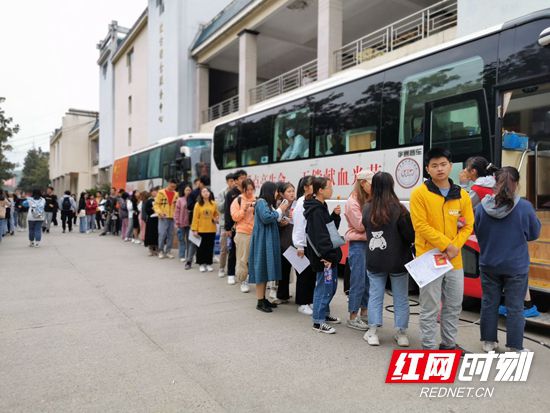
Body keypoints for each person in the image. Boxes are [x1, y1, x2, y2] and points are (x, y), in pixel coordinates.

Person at [410, 148, 474, 352]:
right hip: (429, 258)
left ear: (451, 166)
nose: (439, 169)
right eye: (435, 165)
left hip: (454, 260)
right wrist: (448, 245)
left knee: (454, 305)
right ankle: (428, 348)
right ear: (428, 169)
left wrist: (455, 246)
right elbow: (420, 225)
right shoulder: (420, 194)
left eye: (443, 164)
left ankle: (448, 344)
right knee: (429, 307)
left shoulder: (462, 195)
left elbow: (468, 225)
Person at [475, 167, 541, 352]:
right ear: (517, 183)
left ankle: (488, 342)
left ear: (495, 182)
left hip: (488, 263)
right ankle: (515, 346)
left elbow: (478, 232)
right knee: (515, 307)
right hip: (516, 266)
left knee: (489, 303)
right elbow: (534, 233)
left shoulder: (482, 207)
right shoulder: (525, 207)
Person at [362, 172, 415, 346]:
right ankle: (401, 334)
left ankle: (373, 332)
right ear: (391, 185)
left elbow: (365, 227)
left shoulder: (368, 208)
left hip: (375, 259)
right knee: (401, 297)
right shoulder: (399, 209)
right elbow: (409, 235)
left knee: (375, 295)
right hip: (398, 260)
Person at [304, 177, 342, 334]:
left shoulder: (321, 206)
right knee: (324, 288)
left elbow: (329, 231)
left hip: (327, 255)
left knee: (330, 286)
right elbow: (319, 237)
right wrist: (328, 256)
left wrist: (334, 216)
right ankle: (318, 322)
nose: (331, 190)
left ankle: (324, 315)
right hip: (324, 257)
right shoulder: (316, 211)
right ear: (320, 190)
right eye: (329, 187)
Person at [249, 181, 289, 313]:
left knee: (265, 270)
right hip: (262, 241)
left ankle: (263, 299)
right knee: (261, 269)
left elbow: (270, 219)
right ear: (270, 190)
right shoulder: (261, 202)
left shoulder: (267, 204)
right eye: (276, 191)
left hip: (267, 240)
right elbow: (266, 218)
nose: (277, 193)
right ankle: (260, 301)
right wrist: (280, 211)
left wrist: (280, 221)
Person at [344, 169, 374, 331]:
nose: (374, 186)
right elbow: (361, 226)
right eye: (371, 183)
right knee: (358, 280)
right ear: (363, 184)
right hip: (358, 245)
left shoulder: (370, 198)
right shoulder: (352, 201)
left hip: (370, 244)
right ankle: (353, 316)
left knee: (368, 280)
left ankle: (364, 312)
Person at [292, 175, 316, 315]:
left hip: (310, 244)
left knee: (311, 274)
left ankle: (310, 299)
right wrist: (300, 246)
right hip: (303, 244)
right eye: (313, 184)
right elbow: (300, 226)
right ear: (306, 187)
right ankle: (302, 302)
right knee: (304, 275)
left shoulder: (310, 201)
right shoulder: (302, 202)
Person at [230, 178, 256, 293]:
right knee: (242, 258)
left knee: (254, 258)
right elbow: (234, 217)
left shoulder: (257, 199)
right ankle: (242, 280)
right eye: (247, 189)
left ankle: (252, 277)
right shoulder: (238, 200)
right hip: (242, 233)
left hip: (255, 232)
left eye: (251, 189)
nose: (250, 192)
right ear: (243, 189)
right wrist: (244, 210)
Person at [224, 170, 247, 283]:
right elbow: (227, 212)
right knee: (233, 250)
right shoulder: (231, 194)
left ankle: (244, 275)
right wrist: (227, 228)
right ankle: (231, 274)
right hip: (234, 227)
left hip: (247, 227)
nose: (244, 180)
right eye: (242, 178)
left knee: (245, 252)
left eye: (245, 177)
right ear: (236, 181)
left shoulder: (248, 192)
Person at [276, 182, 296, 302]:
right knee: (284, 269)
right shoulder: (279, 205)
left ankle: (302, 297)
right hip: (284, 242)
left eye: (293, 191)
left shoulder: (298, 203)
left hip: (296, 241)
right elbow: (275, 221)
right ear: (282, 194)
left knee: (301, 270)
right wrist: (280, 223)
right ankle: (282, 295)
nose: (292, 193)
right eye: (289, 191)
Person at [185, 175, 211, 269]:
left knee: (206, 243)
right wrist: (200, 205)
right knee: (193, 241)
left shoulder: (209, 193)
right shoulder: (193, 193)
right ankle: (189, 261)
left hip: (207, 224)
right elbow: (189, 206)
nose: (205, 188)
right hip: (195, 222)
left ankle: (205, 261)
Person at [191, 187, 219, 272]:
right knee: (201, 248)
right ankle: (201, 264)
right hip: (201, 229)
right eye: (203, 191)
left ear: (210, 193)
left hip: (211, 229)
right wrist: (194, 229)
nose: (206, 193)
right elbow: (195, 218)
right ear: (201, 194)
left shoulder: (214, 204)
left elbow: (216, 214)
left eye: (207, 191)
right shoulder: (198, 204)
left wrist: (216, 218)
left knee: (210, 247)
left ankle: (209, 264)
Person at [154, 179, 179, 259]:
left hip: (172, 217)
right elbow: (156, 205)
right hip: (163, 216)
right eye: (172, 186)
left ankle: (168, 251)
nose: (173, 188)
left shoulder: (176, 194)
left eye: (174, 187)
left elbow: (177, 206)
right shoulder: (161, 192)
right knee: (162, 234)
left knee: (171, 235)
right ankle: (160, 251)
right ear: (169, 184)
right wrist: (159, 212)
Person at [216, 173, 235, 278]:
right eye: (230, 181)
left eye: (234, 181)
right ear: (227, 182)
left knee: (235, 249)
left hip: (236, 225)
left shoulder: (238, 192)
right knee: (224, 248)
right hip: (224, 225)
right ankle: (222, 268)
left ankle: (233, 269)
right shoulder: (222, 193)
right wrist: (228, 198)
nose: (233, 183)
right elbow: (220, 208)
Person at [175, 185, 192, 262]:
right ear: (183, 191)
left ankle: (189, 256)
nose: (188, 191)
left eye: (189, 190)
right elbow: (177, 212)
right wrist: (177, 221)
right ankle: (182, 255)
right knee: (181, 240)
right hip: (181, 223)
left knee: (189, 240)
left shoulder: (192, 199)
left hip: (190, 224)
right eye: (186, 190)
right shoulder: (180, 200)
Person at [143, 186, 160, 256]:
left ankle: (157, 248)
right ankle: (150, 248)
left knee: (157, 234)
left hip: (158, 219)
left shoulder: (159, 200)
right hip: (151, 219)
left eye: (156, 191)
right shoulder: (149, 201)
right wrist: (153, 209)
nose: (154, 193)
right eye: (153, 191)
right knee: (150, 234)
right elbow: (146, 210)